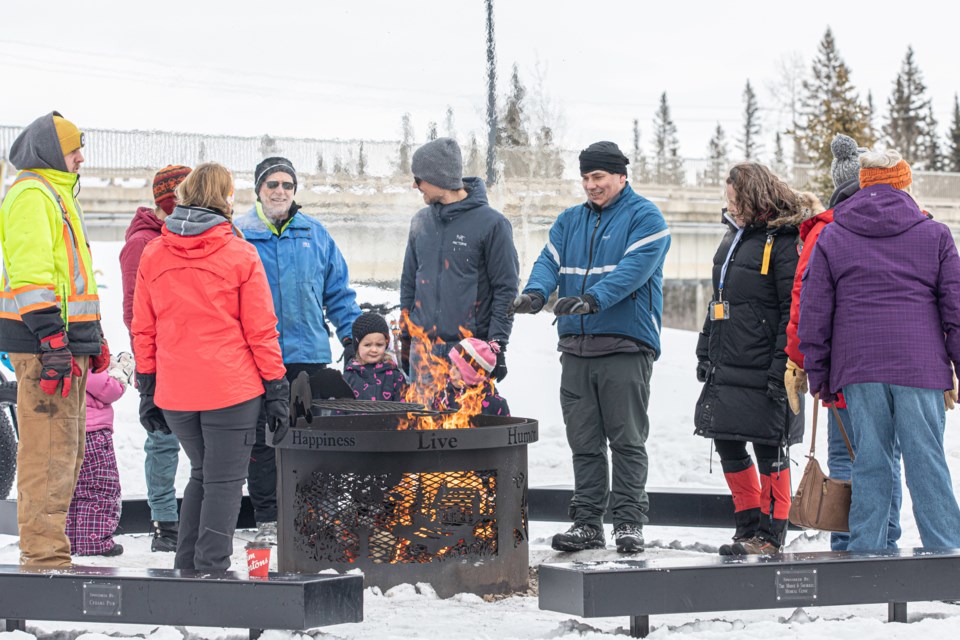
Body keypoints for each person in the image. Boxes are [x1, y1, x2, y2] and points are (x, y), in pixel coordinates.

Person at [512, 141, 670, 554]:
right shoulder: (568, 221)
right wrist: (534, 294)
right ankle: (587, 523)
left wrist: (593, 299)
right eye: (585, 178)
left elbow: (634, 270)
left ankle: (629, 523)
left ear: (621, 175)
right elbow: (549, 262)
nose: (591, 185)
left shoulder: (645, 217)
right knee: (583, 442)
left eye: (598, 177)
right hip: (577, 347)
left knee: (627, 440)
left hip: (625, 346)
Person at [799, 149, 960, 552]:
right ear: (905, 183)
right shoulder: (934, 234)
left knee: (869, 463)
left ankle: (866, 558)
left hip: (859, 369)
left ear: (864, 183)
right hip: (920, 369)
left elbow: (815, 315)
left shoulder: (834, 235)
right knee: (927, 462)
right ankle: (947, 554)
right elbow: (955, 310)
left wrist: (820, 377)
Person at [132, 162, 289, 571]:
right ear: (225, 198)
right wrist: (277, 388)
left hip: (176, 393)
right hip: (229, 391)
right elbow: (261, 331)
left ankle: (188, 566)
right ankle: (212, 570)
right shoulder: (239, 254)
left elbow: (143, 329)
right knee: (222, 482)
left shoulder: (153, 252)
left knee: (203, 474)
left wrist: (147, 388)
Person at [0, 111, 110, 567]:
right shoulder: (32, 195)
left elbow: (73, 280)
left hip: (65, 344)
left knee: (65, 452)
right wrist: (52, 340)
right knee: (47, 455)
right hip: (44, 345)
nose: (81, 158)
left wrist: (91, 337)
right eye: (72, 149)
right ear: (49, 152)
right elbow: (31, 277)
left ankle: (50, 552)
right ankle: (44, 559)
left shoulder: (59, 196)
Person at [785, 134, 902, 552]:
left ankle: (850, 547)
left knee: (846, 454)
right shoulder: (911, 221)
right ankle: (884, 541)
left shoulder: (830, 229)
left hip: (844, 368)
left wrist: (800, 362)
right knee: (888, 457)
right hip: (901, 369)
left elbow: (805, 299)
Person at [235, 156, 361, 545]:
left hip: (307, 354)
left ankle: (309, 511)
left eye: (287, 185)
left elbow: (338, 292)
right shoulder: (238, 234)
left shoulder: (315, 234)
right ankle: (269, 517)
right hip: (254, 357)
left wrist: (352, 335)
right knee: (262, 439)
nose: (280, 191)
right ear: (258, 188)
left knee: (308, 437)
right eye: (272, 184)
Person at [695, 162, 803, 556]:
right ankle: (747, 526)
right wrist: (706, 348)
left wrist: (782, 367)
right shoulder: (733, 238)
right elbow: (719, 300)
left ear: (755, 197)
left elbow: (793, 309)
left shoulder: (784, 239)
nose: (731, 207)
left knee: (769, 447)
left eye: (736, 201)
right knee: (727, 441)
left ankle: (771, 534)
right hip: (729, 362)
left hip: (765, 366)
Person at [399, 138, 519, 391]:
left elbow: (505, 289)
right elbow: (409, 282)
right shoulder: (420, 222)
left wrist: (498, 344)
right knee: (420, 428)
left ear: (438, 178)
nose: (414, 185)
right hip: (424, 353)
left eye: (418, 179)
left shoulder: (492, 224)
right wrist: (407, 335)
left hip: (468, 352)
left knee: (465, 428)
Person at [119, 164, 192, 552]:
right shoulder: (142, 244)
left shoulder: (185, 234)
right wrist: (149, 367)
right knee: (163, 441)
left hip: (192, 357)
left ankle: (195, 517)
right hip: (160, 361)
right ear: (173, 201)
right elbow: (133, 313)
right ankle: (164, 522)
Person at [65, 353, 134, 556]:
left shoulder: (53, 353)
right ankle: (94, 543)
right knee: (99, 488)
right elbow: (108, 390)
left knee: (70, 490)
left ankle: (69, 542)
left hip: (64, 431)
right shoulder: (84, 355)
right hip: (92, 433)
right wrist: (119, 373)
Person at [433, 337, 510, 416]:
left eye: (458, 369)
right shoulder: (443, 395)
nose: (451, 372)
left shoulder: (495, 405)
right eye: (452, 365)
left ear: (473, 377)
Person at [343, 312, 406, 401]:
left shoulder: (395, 376)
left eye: (379, 345)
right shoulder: (348, 376)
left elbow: (403, 408)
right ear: (358, 346)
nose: (374, 350)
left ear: (386, 344)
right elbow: (339, 410)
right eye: (367, 345)